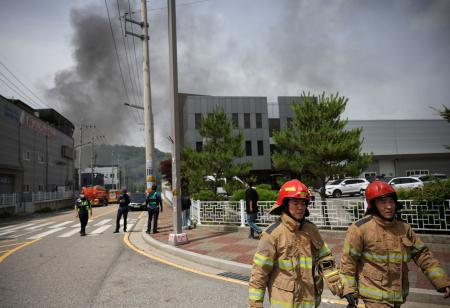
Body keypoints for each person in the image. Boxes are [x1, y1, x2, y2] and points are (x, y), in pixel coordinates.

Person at [340, 181, 450, 307]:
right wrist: (348, 290)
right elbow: (348, 262)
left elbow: (423, 256)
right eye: (383, 202)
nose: (389, 206)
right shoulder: (360, 229)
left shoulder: (404, 228)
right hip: (374, 299)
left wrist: (442, 281)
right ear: (373, 205)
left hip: (398, 297)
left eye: (391, 201)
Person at [248, 179, 343, 307]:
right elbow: (259, 274)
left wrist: (338, 283)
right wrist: (255, 305)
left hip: (310, 303)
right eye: (296, 202)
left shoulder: (311, 230)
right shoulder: (272, 235)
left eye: (303, 202)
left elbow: (325, 257)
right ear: (285, 204)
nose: (300, 207)